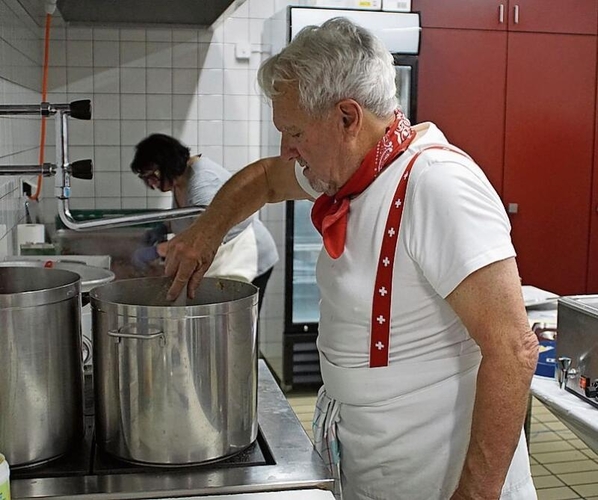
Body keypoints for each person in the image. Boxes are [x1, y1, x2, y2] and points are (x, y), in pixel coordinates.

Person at [162, 18, 539, 500]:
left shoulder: (436, 184)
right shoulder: (355, 168)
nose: (287, 151)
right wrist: (203, 235)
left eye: (294, 133)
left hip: (441, 477)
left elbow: (513, 350)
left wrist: (475, 496)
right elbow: (263, 178)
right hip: (374, 461)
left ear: (347, 118)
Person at [130, 133, 278, 312]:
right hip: (225, 256)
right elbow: (186, 217)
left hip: (244, 253)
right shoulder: (180, 180)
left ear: (167, 164)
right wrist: (162, 228)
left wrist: (156, 251)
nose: (152, 184)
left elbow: (203, 238)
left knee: (235, 328)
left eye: (153, 176)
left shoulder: (203, 183)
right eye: (147, 179)